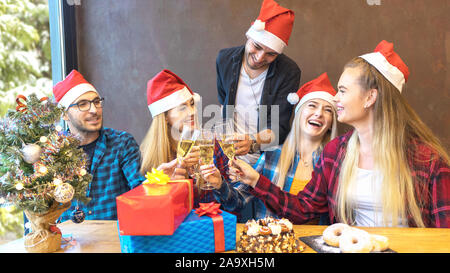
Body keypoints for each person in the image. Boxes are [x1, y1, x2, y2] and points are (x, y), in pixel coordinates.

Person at [226, 40, 450, 228]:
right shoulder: (336, 153)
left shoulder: (428, 162)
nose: (336, 99)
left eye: (342, 90)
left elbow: (444, 238)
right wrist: (255, 179)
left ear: (370, 97)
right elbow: (304, 209)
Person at [201, 73, 338, 223]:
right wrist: (219, 184)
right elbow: (236, 203)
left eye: (328, 110)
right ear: (299, 112)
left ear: (332, 122)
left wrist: (257, 180)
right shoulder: (272, 155)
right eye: (312, 105)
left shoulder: (332, 163)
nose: (318, 113)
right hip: (267, 242)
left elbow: (306, 212)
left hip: (311, 244)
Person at [53, 69, 145, 223]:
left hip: (115, 242)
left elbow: (140, 189)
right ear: (64, 114)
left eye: (96, 102)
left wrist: (157, 183)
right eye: (83, 104)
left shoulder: (122, 144)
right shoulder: (52, 155)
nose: (94, 110)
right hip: (69, 244)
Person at [216, 0, 301, 165]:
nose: (260, 58)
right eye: (257, 46)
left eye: (271, 54)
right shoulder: (224, 59)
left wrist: (253, 143)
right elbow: (223, 104)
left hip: (265, 160)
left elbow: (279, 127)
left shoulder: (289, 72)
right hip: (227, 158)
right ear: (249, 36)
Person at [140, 69, 215, 205]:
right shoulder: (147, 158)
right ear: (165, 118)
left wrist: (217, 182)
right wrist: (166, 187)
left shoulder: (209, 144)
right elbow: (145, 208)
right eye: (182, 108)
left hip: (208, 224)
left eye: (192, 104)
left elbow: (234, 204)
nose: (192, 112)